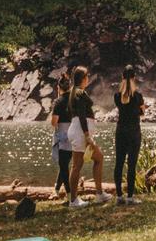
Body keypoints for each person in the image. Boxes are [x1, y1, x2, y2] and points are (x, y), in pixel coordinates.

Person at [67, 64, 107, 206]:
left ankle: (99, 193)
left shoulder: (75, 92)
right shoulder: (79, 93)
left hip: (78, 130)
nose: (88, 78)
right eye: (87, 76)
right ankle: (73, 200)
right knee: (77, 165)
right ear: (83, 78)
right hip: (80, 132)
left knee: (97, 158)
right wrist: (87, 135)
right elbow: (82, 115)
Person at [114, 64, 145, 203]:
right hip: (134, 132)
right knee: (131, 164)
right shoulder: (138, 96)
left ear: (122, 77)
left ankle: (119, 196)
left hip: (120, 131)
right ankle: (130, 197)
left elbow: (122, 108)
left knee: (119, 163)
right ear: (134, 78)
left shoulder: (117, 95)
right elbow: (142, 112)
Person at [50, 71, 73, 197]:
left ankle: (69, 195)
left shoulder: (58, 102)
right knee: (64, 164)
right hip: (74, 134)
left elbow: (54, 122)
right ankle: (57, 189)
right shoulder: (74, 99)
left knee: (63, 165)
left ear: (59, 87)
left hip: (63, 136)